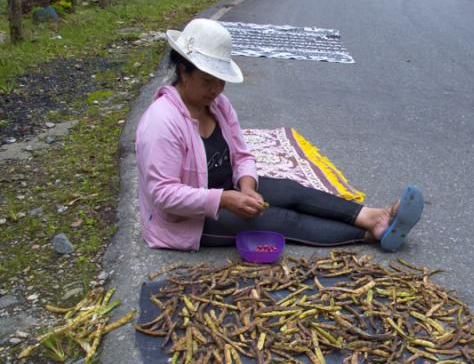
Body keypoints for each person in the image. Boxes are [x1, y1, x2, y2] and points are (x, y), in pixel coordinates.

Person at [135, 18, 423, 252]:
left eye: (220, 81)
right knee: (280, 219)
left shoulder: (218, 105)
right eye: (207, 81)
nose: (216, 89)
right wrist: (224, 199)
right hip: (188, 220)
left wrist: (246, 186)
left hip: (226, 188)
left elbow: (242, 154)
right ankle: (372, 234)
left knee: (291, 191)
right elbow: (163, 194)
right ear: (183, 72)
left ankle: (371, 215)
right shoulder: (162, 122)